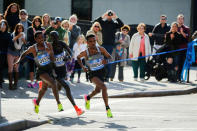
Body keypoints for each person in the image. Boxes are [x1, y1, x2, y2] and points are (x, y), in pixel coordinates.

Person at [14, 31, 63, 113]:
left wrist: (50, 52)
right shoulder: (33, 48)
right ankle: (59, 104)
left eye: (42, 37)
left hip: (49, 69)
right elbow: (24, 53)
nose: (41, 39)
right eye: (39, 38)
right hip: (41, 71)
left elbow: (52, 58)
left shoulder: (48, 45)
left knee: (44, 89)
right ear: (35, 39)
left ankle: (36, 103)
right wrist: (18, 61)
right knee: (53, 83)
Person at [77, 34, 113, 118]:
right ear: (87, 43)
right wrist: (83, 67)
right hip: (92, 74)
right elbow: (78, 57)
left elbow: (109, 57)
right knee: (104, 87)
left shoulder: (101, 49)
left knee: (98, 91)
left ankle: (88, 98)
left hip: (102, 72)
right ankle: (107, 109)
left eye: (94, 41)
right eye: (90, 41)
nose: (93, 43)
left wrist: (106, 60)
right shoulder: (86, 52)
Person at [49, 31, 84, 116]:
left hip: (62, 69)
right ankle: (77, 109)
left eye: (56, 37)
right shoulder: (49, 46)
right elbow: (48, 58)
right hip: (55, 71)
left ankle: (46, 86)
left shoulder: (62, 43)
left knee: (59, 88)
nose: (55, 39)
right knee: (67, 87)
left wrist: (68, 57)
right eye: (53, 37)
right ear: (51, 38)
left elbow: (70, 52)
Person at [95, 10, 124, 82]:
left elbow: (122, 25)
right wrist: (103, 15)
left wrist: (116, 17)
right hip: (102, 44)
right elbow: (95, 22)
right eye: (108, 15)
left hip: (110, 45)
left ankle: (107, 76)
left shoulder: (114, 23)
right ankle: (101, 76)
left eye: (110, 15)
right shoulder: (102, 22)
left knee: (108, 61)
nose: (109, 16)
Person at [27, 16, 45, 88]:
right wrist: (35, 35)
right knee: (31, 67)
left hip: (40, 51)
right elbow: (29, 39)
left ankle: (36, 82)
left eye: (38, 21)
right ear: (33, 22)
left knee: (39, 67)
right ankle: (31, 82)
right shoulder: (30, 29)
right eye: (35, 21)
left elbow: (43, 41)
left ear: (40, 22)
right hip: (32, 50)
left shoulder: (42, 29)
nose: (37, 22)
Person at [7, 23, 26, 90]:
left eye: (21, 28)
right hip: (11, 52)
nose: (19, 29)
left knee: (16, 68)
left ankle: (15, 84)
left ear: (22, 29)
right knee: (10, 68)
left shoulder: (23, 34)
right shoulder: (13, 34)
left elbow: (25, 44)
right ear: (16, 28)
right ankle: (10, 84)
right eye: (18, 28)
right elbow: (12, 41)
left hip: (18, 53)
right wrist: (18, 36)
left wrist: (24, 40)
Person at [176, 14, 190, 81]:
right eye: (179, 19)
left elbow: (187, 38)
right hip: (175, 49)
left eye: (181, 19)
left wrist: (181, 32)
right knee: (175, 63)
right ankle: (173, 76)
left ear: (183, 20)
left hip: (182, 49)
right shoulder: (174, 27)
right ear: (177, 20)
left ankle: (179, 77)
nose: (180, 20)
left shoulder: (186, 28)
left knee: (180, 63)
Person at [0, 20, 13, 88]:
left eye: (4, 25)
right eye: (1, 25)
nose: (3, 26)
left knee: (1, 67)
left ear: (6, 26)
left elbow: (10, 44)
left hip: (4, 53)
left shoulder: (8, 34)